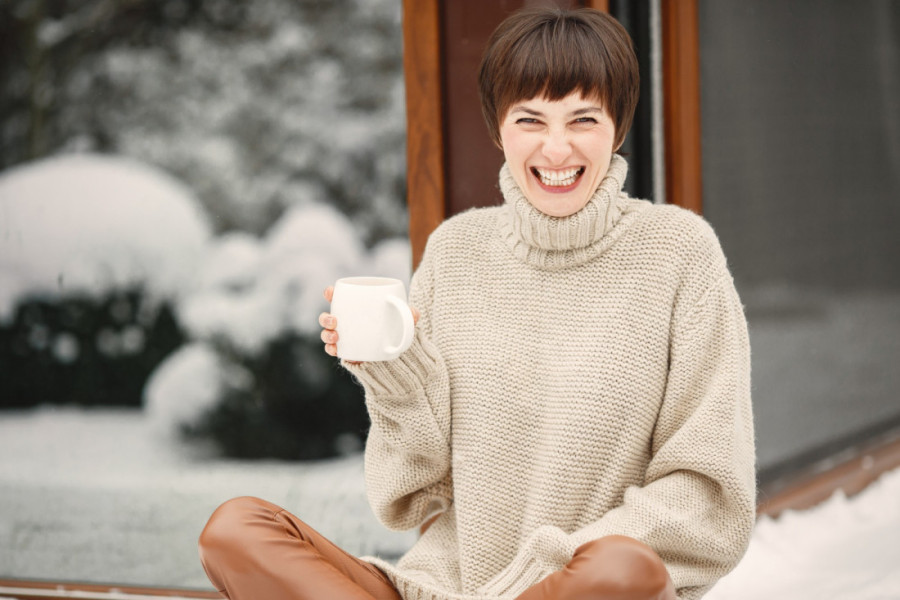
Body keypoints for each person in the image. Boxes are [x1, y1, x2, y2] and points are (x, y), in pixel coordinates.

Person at [197, 7, 755, 600]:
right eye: (530, 119)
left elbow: (709, 500)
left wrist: (538, 574)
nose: (557, 148)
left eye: (583, 119)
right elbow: (412, 494)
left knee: (623, 568)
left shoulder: (679, 253)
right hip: (444, 587)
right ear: (498, 129)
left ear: (617, 129)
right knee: (236, 530)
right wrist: (395, 375)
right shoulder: (455, 251)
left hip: (579, 591)